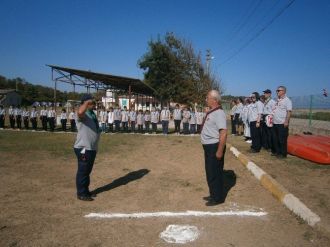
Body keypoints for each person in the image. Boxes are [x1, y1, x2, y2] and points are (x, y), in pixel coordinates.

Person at [201, 90, 227, 206]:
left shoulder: (219, 113)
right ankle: (213, 194)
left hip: (214, 147)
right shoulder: (212, 112)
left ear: (215, 100)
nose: (206, 99)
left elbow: (223, 133)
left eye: (207, 97)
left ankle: (217, 198)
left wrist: (220, 151)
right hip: (208, 147)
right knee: (210, 172)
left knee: (215, 173)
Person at [74, 94, 101, 201]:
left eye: (93, 103)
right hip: (83, 147)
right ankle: (81, 193)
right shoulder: (83, 114)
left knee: (87, 171)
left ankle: (85, 190)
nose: (93, 104)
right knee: (83, 170)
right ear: (85, 103)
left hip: (91, 148)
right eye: (91, 103)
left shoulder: (91, 114)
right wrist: (85, 102)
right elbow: (80, 112)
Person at [271, 86, 292, 158]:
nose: (277, 92)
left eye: (279, 90)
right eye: (276, 90)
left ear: (284, 91)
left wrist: (286, 121)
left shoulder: (287, 100)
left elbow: (289, 112)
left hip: (282, 123)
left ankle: (283, 154)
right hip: (275, 123)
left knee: (282, 139)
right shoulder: (277, 100)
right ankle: (277, 152)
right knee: (275, 139)